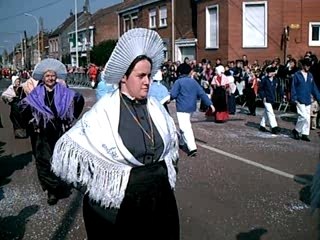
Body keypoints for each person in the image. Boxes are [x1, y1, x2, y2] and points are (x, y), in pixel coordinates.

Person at [51, 28, 180, 240]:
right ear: (124, 78)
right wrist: (102, 189)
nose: (148, 81)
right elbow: (70, 150)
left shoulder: (156, 108)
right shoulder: (102, 113)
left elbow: (171, 152)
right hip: (121, 208)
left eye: (149, 75)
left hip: (161, 201)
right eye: (141, 76)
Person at [19, 58, 85, 205]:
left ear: (56, 77)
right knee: (44, 161)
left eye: (53, 75)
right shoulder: (36, 93)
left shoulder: (64, 92)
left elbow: (79, 100)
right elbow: (23, 108)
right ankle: (52, 191)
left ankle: (59, 185)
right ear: (43, 77)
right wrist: (31, 122)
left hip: (59, 132)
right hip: (41, 133)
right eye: (47, 76)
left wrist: (70, 117)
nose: (50, 78)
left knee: (60, 160)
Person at [170, 62, 215, 157]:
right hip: (192, 108)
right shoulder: (193, 82)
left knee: (185, 127)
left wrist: (167, 99)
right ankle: (182, 142)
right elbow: (202, 93)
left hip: (182, 107)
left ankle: (192, 147)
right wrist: (210, 104)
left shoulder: (178, 82)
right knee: (185, 125)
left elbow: (173, 94)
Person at [291, 58, 320, 141]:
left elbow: (313, 87)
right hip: (299, 99)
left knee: (307, 118)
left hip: (308, 99)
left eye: (309, 66)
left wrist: (318, 97)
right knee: (303, 116)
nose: (308, 67)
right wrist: (294, 98)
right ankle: (296, 130)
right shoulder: (297, 75)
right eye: (307, 65)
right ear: (303, 65)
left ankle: (305, 134)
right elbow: (293, 87)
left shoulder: (310, 75)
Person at [258, 67, 281, 134]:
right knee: (271, 112)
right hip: (266, 98)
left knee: (267, 112)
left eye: (271, 72)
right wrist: (263, 97)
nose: (269, 74)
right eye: (268, 72)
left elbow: (279, 88)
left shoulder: (275, 80)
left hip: (271, 98)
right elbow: (261, 89)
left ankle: (262, 125)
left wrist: (282, 95)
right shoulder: (264, 80)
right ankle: (274, 127)